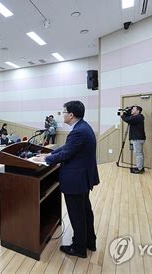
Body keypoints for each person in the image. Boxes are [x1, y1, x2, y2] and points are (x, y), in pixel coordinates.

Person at [40, 100, 99, 259]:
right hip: (82, 178)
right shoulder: (82, 127)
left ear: (71, 115)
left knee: (77, 214)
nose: (63, 114)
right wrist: (50, 154)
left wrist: (46, 159)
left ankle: (79, 247)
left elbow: (66, 154)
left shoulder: (78, 131)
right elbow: (67, 148)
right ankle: (89, 242)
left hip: (76, 180)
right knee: (85, 211)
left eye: (64, 112)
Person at [121, 105, 146, 174]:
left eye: (133, 109)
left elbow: (128, 119)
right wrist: (128, 112)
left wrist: (122, 116)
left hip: (138, 138)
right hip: (137, 138)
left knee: (138, 154)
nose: (132, 110)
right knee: (138, 153)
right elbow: (130, 118)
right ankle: (140, 167)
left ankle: (140, 169)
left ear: (138, 111)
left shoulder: (139, 117)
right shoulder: (137, 117)